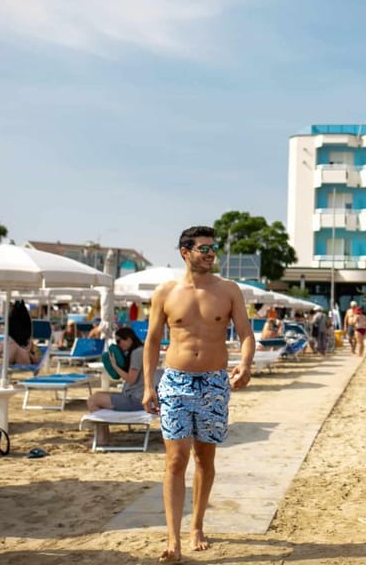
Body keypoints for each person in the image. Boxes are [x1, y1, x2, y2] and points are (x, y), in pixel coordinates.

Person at [141, 226, 255, 564]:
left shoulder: (229, 290)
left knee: (205, 459)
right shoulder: (165, 292)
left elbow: (246, 334)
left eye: (212, 248)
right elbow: (151, 340)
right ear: (185, 252)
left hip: (214, 383)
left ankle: (197, 526)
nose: (210, 253)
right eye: (203, 248)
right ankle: (173, 539)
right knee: (176, 460)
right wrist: (148, 385)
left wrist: (245, 364)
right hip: (175, 382)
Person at [86, 327, 151, 445]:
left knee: (93, 400)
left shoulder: (137, 353)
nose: (118, 345)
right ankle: (104, 436)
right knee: (96, 395)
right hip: (135, 397)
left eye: (119, 341)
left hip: (135, 400)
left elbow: (131, 379)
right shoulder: (138, 351)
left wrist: (115, 366)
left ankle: (102, 437)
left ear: (129, 339)